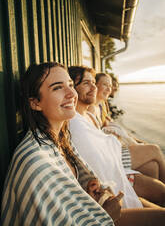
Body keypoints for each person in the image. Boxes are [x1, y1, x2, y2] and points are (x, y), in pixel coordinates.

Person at [1, 62, 118, 226]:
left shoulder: (61, 139)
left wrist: (86, 193)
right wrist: (109, 215)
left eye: (70, 85)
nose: (72, 93)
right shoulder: (35, 162)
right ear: (35, 103)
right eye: (57, 88)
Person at [68, 65, 165, 225]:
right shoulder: (76, 124)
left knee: (153, 167)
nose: (94, 87)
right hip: (107, 189)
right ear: (73, 89)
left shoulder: (88, 114)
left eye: (94, 82)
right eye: (87, 83)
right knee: (154, 152)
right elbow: (96, 161)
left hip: (114, 170)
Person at [89, 72, 165, 204]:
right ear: (95, 86)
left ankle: (149, 202)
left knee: (152, 166)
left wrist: (137, 142)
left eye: (110, 85)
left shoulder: (101, 105)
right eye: (105, 85)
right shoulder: (90, 108)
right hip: (111, 156)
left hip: (115, 149)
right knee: (155, 149)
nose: (109, 89)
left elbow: (106, 124)